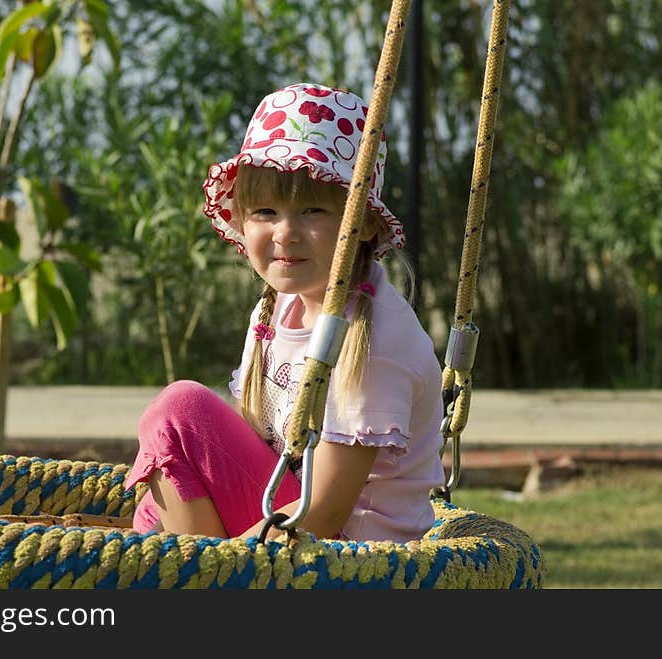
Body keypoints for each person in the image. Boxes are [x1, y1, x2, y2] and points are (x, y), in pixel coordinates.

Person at [124, 82, 445, 543]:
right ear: (241, 218)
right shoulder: (278, 308)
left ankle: (203, 578)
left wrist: (231, 566)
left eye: (313, 210)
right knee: (154, 506)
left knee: (178, 410)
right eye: (265, 211)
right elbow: (253, 445)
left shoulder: (375, 339)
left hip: (346, 558)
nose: (285, 233)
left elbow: (326, 513)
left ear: (366, 224)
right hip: (288, 518)